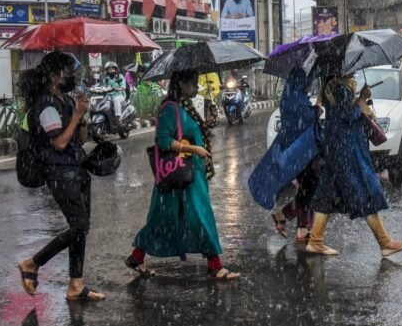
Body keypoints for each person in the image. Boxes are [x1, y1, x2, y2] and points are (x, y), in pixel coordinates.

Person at [124, 68, 240, 281]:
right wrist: (194, 150)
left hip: (188, 176)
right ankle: (215, 265)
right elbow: (163, 140)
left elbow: (192, 133)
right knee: (199, 216)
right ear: (180, 85)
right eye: (192, 83)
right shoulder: (170, 109)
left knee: (164, 221)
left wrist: (209, 121)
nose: (196, 87)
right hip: (180, 176)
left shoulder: (185, 107)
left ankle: (136, 257)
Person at [16, 51, 105, 301]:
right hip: (58, 171)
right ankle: (32, 263)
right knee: (79, 225)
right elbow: (59, 143)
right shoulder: (45, 104)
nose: (73, 76)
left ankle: (76, 283)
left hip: (77, 169)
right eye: (69, 71)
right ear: (55, 76)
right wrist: (76, 116)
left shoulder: (65, 101)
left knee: (81, 228)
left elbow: (80, 139)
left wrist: (82, 114)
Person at [308, 71, 402, 256]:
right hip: (348, 151)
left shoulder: (331, 86)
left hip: (336, 149)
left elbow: (340, 115)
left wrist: (358, 99)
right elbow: (348, 115)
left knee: (327, 195)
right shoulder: (341, 88)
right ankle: (385, 242)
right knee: (364, 193)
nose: (354, 72)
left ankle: (315, 241)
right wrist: (361, 100)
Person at [271, 68, 321, 241]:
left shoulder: (290, 97)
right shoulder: (297, 99)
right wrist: (318, 105)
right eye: (308, 82)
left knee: (307, 186)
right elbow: (308, 118)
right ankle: (288, 217)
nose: (309, 86)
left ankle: (302, 228)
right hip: (301, 150)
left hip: (298, 148)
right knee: (311, 185)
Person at [103, 62, 127, 127]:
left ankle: (118, 118)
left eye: (112, 69)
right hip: (109, 96)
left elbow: (123, 87)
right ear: (107, 71)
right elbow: (103, 87)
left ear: (115, 70)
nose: (111, 70)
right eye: (109, 69)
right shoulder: (106, 79)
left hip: (120, 95)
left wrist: (117, 89)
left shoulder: (119, 76)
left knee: (116, 99)